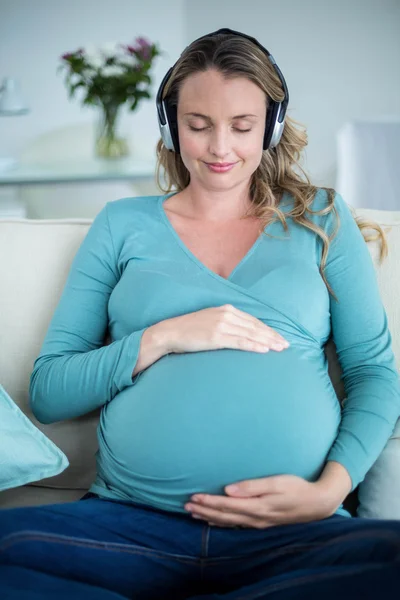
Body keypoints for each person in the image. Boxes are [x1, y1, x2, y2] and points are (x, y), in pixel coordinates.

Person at [1, 27, 399, 600]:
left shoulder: (321, 218)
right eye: (198, 125)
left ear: (272, 125)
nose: (220, 148)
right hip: (129, 528)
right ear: (169, 125)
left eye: (242, 127)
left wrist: (328, 489)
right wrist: (162, 337)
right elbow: (49, 391)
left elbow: (375, 373)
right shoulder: (121, 224)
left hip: (291, 534)